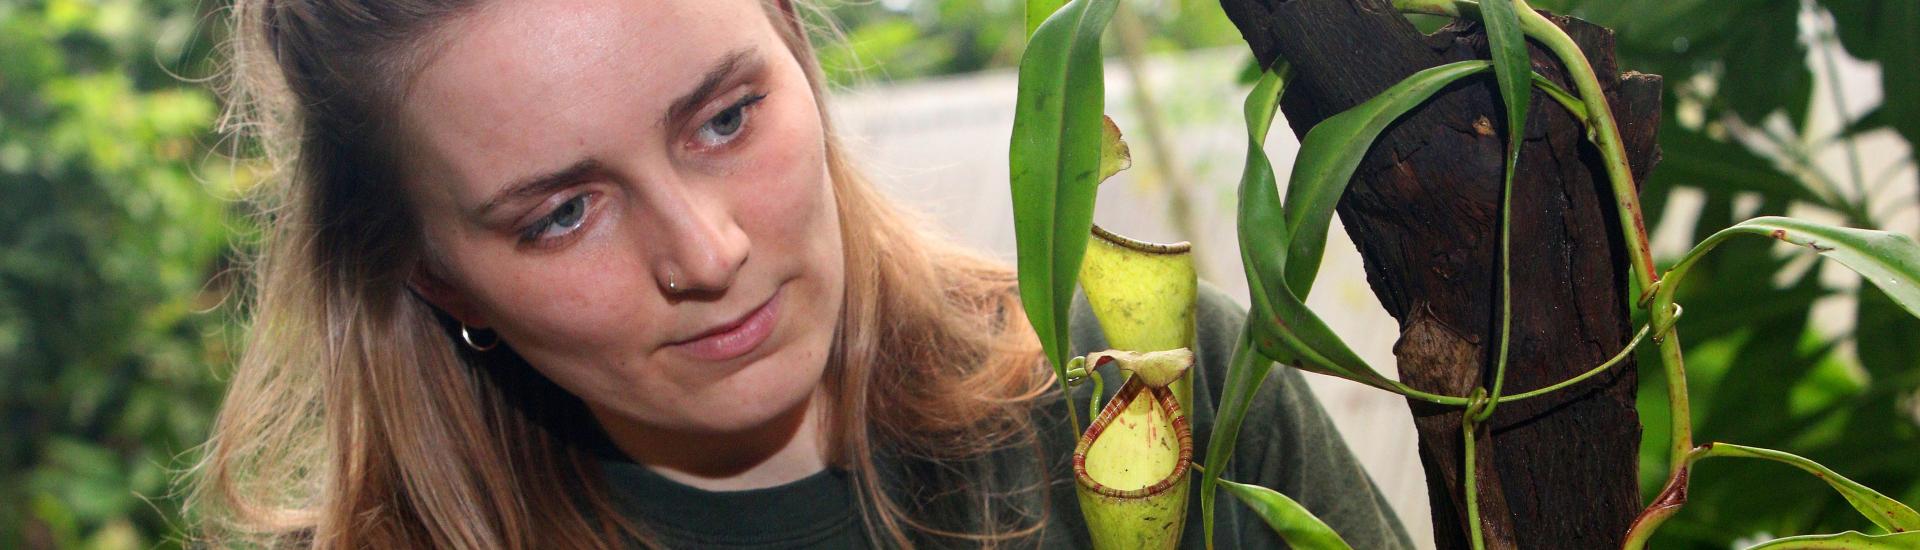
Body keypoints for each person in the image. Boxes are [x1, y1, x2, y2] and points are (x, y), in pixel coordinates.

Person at [187, 0, 1414, 548]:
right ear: (435, 279)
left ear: (796, 50)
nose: (707, 254)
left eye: (724, 118)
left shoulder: (1150, 392)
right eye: (562, 212)